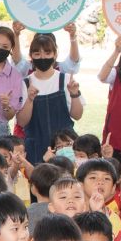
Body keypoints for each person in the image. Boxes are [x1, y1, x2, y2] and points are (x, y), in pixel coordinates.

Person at [17, 24, 84, 163]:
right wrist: (30, 100)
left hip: (64, 148)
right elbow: (22, 122)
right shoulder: (25, 83)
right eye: (37, 54)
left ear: (55, 54)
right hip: (35, 148)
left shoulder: (65, 79)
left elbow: (77, 115)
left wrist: (74, 94)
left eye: (47, 53)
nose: (42, 57)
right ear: (31, 56)